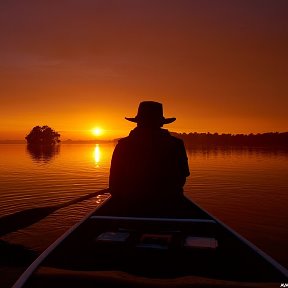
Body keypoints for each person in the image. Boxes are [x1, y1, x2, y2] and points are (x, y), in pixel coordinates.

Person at [106, 101, 190, 217]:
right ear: (161, 123)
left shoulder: (123, 145)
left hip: (130, 208)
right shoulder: (176, 144)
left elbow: (114, 183)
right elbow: (182, 178)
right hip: (169, 207)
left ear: (138, 122)